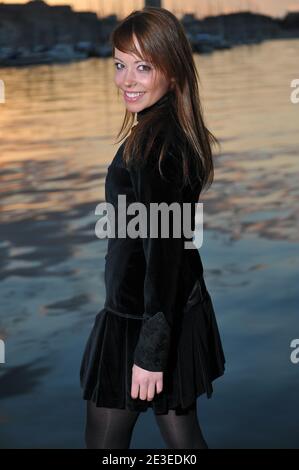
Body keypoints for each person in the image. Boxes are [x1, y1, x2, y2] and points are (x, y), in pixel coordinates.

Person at [80, 6, 226, 449]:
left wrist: (149, 352)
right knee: (184, 441)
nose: (127, 80)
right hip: (171, 307)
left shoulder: (156, 146)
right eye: (120, 65)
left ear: (175, 72)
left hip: (143, 319)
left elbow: (164, 251)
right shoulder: (170, 132)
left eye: (143, 67)